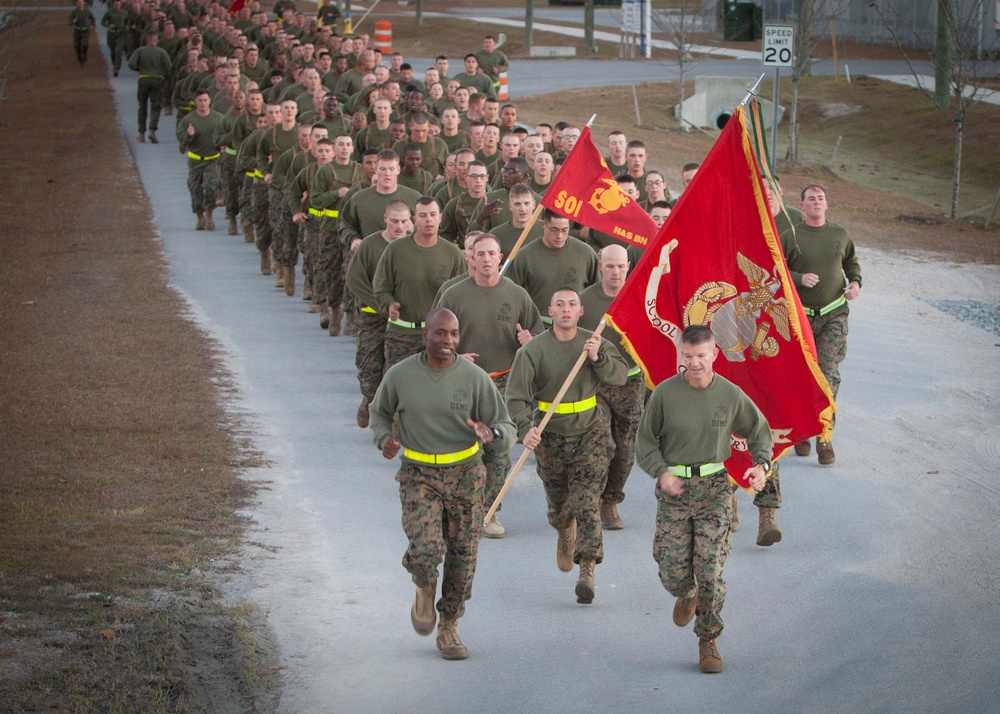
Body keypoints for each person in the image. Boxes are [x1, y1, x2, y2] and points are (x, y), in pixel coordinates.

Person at [370, 308, 516, 661]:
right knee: (425, 550)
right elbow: (380, 413)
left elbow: (507, 427)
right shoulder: (401, 375)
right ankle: (423, 583)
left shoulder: (474, 378)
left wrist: (491, 432)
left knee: (463, 558)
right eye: (439, 334)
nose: (447, 341)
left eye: (452, 334)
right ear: (425, 336)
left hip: (466, 473)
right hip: (419, 473)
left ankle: (449, 625)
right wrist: (383, 439)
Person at [636, 324, 772, 674]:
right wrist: (661, 471)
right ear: (681, 354)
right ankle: (685, 591)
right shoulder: (665, 395)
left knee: (709, 569)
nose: (695, 363)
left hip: (714, 489)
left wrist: (761, 465)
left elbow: (759, 432)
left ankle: (708, 639)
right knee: (672, 571)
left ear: (714, 354)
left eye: (701, 356)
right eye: (688, 355)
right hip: (674, 492)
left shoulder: (729, 394)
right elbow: (645, 442)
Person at [506, 288, 628, 604]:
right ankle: (563, 527)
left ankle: (587, 568)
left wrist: (598, 357)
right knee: (559, 500)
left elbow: (618, 377)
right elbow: (516, 397)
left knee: (587, 501)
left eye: (571, 304)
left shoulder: (595, 342)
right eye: (559, 304)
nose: (565, 310)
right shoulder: (533, 351)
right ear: (551, 310)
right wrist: (525, 429)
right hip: (549, 433)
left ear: (580, 311)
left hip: (589, 431)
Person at [437, 233, 545, 539]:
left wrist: (530, 340)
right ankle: (458, 508)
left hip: (504, 384)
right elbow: (435, 340)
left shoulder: (517, 295)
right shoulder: (453, 295)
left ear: (500, 258)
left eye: (492, 254)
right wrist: (455, 356)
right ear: (470, 257)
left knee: (499, 450)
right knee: (464, 448)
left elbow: (537, 335)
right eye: (480, 254)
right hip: (464, 382)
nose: (486, 259)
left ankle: (489, 511)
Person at [780, 185, 862, 466]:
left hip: (833, 314)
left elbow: (851, 263)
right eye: (811, 199)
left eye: (821, 198)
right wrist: (799, 277)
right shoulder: (791, 236)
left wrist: (855, 283)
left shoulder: (839, 235)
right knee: (800, 376)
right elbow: (774, 268)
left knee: (827, 374)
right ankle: (802, 430)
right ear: (801, 206)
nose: (816, 202)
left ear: (827, 204)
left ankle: (824, 434)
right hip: (798, 318)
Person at [579, 246, 645, 530]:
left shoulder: (640, 297)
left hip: (630, 383)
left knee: (625, 449)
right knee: (601, 443)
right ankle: (592, 501)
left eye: (621, 266)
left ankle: (611, 501)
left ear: (628, 266)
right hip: (596, 383)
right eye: (610, 266)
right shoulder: (584, 301)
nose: (616, 272)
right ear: (600, 266)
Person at [372, 196, 466, 369]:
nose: (428, 219)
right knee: (400, 388)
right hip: (402, 334)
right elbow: (380, 287)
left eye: (432, 214)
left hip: (440, 337)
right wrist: (389, 305)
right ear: (414, 220)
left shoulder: (453, 254)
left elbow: (461, 294)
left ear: (440, 218)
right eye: (423, 215)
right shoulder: (395, 250)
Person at [347, 201, 413, 427]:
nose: (400, 226)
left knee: (396, 369)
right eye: (394, 221)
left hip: (403, 321)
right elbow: (355, 279)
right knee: (371, 367)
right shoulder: (370, 245)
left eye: (404, 221)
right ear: (385, 219)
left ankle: (392, 420)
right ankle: (369, 398)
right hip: (373, 317)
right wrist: (381, 304)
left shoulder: (413, 245)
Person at [505, 209, 599, 319]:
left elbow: (597, 290)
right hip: (539, 327)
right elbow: (510, 294)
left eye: (564, 230)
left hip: (576, 326)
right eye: (554, 230)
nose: (559, 236)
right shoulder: (525, 256)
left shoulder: (585, 253)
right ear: (544, 224)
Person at [176, 89, 224, 230]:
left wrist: (223, 145)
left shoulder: (218, 118)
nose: (203, 103)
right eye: (200, 100)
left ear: (209, 101)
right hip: (195, 160)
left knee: (211, 187)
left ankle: (209, 214)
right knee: (195, 189)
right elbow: (181, 142)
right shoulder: (188, 120)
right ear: (195, 102)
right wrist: (189, 135)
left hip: (213, 159)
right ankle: (199, 216)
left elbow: (226, 136)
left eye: (205, 100)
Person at [128, 31, 173, 143]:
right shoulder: (162, 52)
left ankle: (141, 133)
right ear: (156, 40)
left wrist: (140, 69)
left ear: (146, 40)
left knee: (142, 107)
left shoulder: (140, 51)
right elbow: (169, 68)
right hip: (157, 80)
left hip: (143, 79)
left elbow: (131, 63)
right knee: (155, 106)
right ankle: (152, 130)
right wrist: (166, 78)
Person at [101, 0, 128, 76]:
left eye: (118, 5)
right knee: (112, 52)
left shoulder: (124, 13)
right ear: (113, 5)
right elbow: (102, 22)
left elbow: (128, 21)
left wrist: (127, 26)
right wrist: (108, 25)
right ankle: (115, 64)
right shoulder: (109, 12)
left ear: (120, 5)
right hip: (111, 34)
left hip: (121, 34)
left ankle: (116, 68)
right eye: (115, 5)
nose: (117, 6)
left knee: (119, 50)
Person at [69, 0, 96, 68]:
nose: (80, 4)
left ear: (83, 3)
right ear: (77, 4)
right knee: (76, 45)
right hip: (77, 31)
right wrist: (73, 21)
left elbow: (92, 18)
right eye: (79, 2)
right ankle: (79, 56)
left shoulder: (87, 11)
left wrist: (93, 25)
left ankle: (84, 54)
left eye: (81, 2)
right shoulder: (74, 12)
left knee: (85, 44)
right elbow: (69, 22)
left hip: (85, 30)